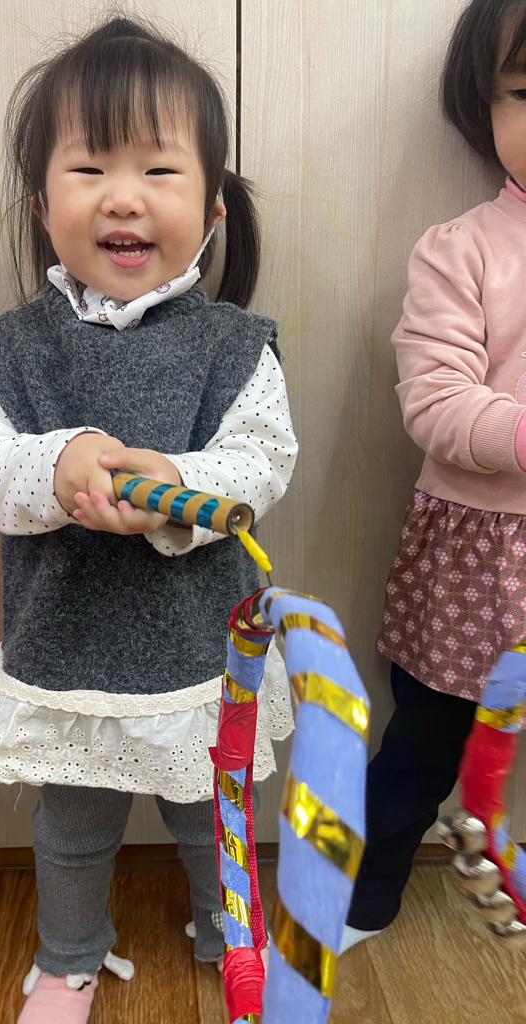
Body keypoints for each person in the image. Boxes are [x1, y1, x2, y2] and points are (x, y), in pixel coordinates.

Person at [0, 16, 297, 1023]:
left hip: (199, 649)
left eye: (158, 168)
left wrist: (175, 484)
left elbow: (262, 461)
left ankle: (230, 934)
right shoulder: (10, 351)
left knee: (214, 815)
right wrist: (55, 467)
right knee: (71, 825)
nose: (123, 195)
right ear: (41, 204)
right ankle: (68, 959)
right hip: (68, 650)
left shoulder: (235, 346)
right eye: (90, 166)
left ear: (213, 204)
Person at [342, 0, 526, 953]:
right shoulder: (463, 248)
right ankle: (360, 895)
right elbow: (436, 400)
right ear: (482, 105)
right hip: (481, 555)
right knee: (422, 745)